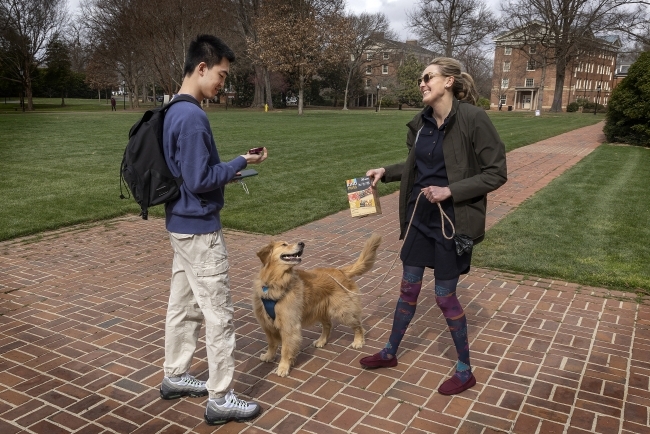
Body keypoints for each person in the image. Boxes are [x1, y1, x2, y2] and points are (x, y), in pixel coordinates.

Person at [359, 57, 507, 396]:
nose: (422, 83)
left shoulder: (473, 119)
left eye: (428, 78)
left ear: (449, 81)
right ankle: (390, 352)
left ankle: (465, 369)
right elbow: (415, 166)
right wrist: (386, 171)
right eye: (422, 80)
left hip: (452, 223)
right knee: (408, 289)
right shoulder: (422, 124)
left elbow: (496, 172)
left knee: (444, 297)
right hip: (419, 218)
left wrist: (450, 191)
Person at [158, 34, 267, 425]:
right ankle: (221, 397)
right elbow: (201, 178)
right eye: (221, 74)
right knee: (218, 314)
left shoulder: (172, 108)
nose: (223, 83)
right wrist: (239, 161)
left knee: (183, 307)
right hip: (200, 230)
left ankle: (175, 375)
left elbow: (189, 175)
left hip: (180, 225)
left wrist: (230, 168)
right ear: (201, 67)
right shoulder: (192, 116)